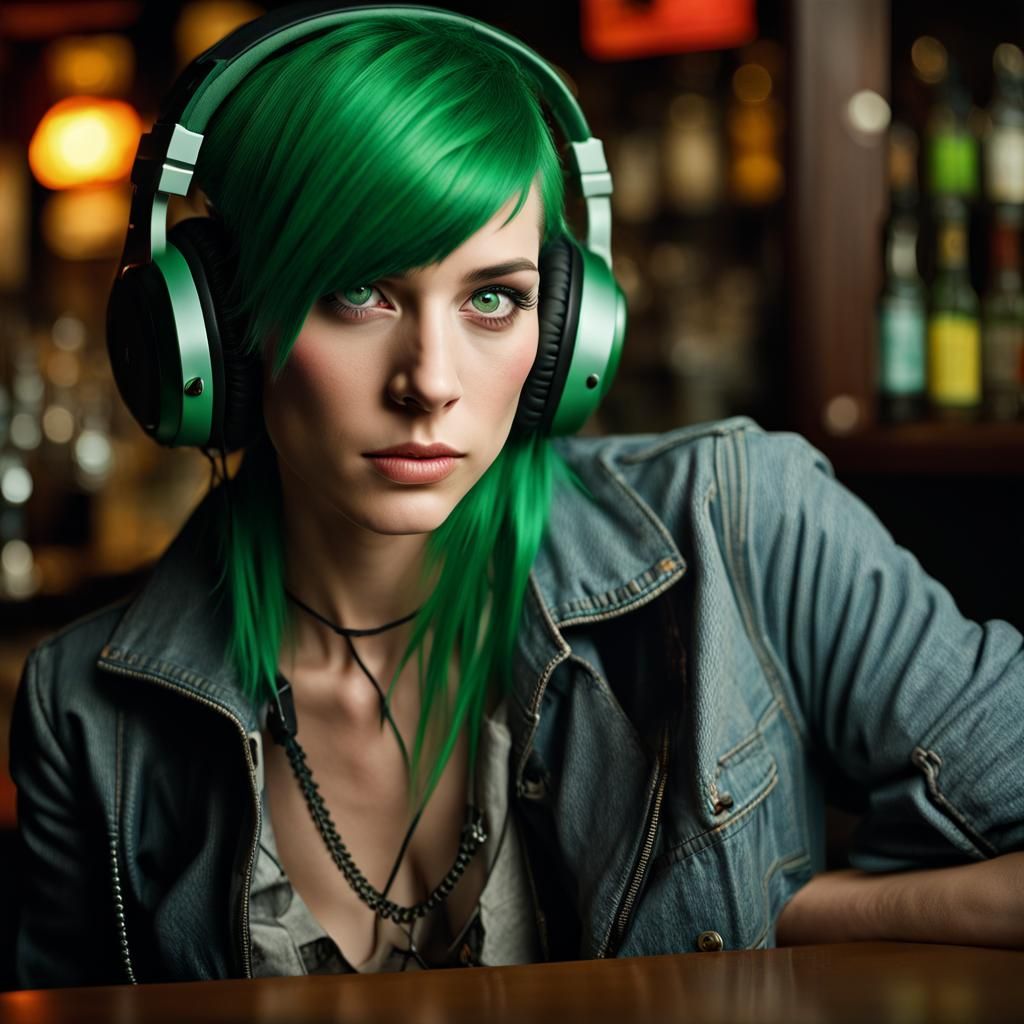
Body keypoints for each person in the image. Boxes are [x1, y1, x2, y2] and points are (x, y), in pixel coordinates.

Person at [9, 4, 1024, 991]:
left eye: (493, 298)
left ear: (567, 334)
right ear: (219, 329)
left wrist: (798, 914)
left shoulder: (743, 523)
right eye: (358, 291)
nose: (431, 381)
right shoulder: (85, 715)